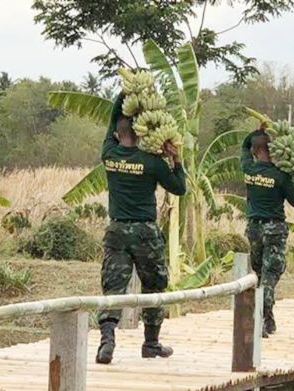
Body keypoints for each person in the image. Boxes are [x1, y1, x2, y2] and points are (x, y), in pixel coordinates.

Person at [95, 94, 187, 364]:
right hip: (145, 232)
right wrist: (177, 161)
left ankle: (107, 342)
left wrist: (125, 95)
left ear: (116, 133)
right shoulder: (152, 161)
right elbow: (180, 188)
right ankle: (151, 343)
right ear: (140, 132)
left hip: (117, 231)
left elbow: (113, 117)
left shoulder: (108, 154)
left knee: (113, 288)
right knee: (155, 285)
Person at [241, 126, 294, 337]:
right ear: (272, 149)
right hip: (274, 228)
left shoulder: (248, 169)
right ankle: (261, 318)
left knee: (261, 272)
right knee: (270, 276)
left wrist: (254, 132)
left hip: (254, 228)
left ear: (254, 151)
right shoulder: (280, 176)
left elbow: (244, 146)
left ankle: (268, 320)